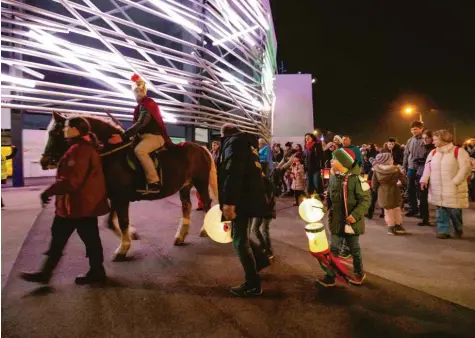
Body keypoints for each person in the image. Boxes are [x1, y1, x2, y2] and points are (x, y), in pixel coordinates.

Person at [21, 117, 110, 285]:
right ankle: (94, 271)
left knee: (69, 238)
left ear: (76, 129)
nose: (64, 129)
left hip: (77, 206)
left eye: (67, 126)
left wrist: (48, 192)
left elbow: (71, 181)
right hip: (81, 205)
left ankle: (48, 273)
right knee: (81, 239)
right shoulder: (83, 147)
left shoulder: (79, 150)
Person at [218, 124, 270, 296]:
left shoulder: (233, 143)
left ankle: (253, 284)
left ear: (224, 135)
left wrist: (229, 202)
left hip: (241, 199)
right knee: (240, 237)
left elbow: (233, 172)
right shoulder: (247, 143)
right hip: (249, 197)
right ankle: (260, 260)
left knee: (239, 240)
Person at [109, 73, 172, 193]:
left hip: (155, 136)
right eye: (135, 90)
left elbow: (142, 123)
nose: (137, 92)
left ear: (144, 90)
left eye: (139, 89)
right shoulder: (140, 106)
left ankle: (154, 181)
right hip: (143, 137)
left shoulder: (148, 104)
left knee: (140, 151)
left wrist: (124, 136)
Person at [317, 148, 370, 287]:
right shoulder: (334, 177)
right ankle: (330, 276)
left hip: (351, 222)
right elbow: (330, 194)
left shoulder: (356, 179)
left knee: (354, 249)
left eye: (334, 159)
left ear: (343, 162)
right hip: (336, 221)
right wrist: (325, 204)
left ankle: (359, 273)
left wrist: (355, 215)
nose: (331, 161)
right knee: (333, 250)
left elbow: (365, 200)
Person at [420, 130, 471, 239]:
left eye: (435, 140)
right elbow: (427, 168)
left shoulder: (459, 151)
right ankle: (443, 230)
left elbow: (465, 169)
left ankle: (458, 229)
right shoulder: (433, 153)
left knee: (454, 210)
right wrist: (424, 179)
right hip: (437, 187)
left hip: (453, 187)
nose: (433, 142)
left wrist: (455, 181)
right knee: (440, 209)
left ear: (444, 139)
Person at [371, 153, 408, 235]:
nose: (393, 160)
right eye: (391, 159)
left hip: (383, 191)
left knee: (388, 210)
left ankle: (391, 227)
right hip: (394, 190)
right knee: (396, 208)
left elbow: (374, 184)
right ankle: (398, 225)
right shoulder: (396, 169)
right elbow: (405, 180)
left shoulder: (376, 170)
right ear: (387, 160)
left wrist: (374, 190)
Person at [251, 172, 277, 259]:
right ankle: (263, 245)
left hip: (267, 211)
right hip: (260, 210)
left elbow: (268, 200)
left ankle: (269, 250)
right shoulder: (257, 183)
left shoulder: (267, 184)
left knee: (264, 230)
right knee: (254, 229)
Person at [414, 130, 435, 226]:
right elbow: (416, 158)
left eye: (427, 138)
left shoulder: (436, 148)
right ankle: (424, 218)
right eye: (423, 138)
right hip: (421, 173)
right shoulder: (421, 147)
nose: (425, 140)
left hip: (433, 175)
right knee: (422, 197)